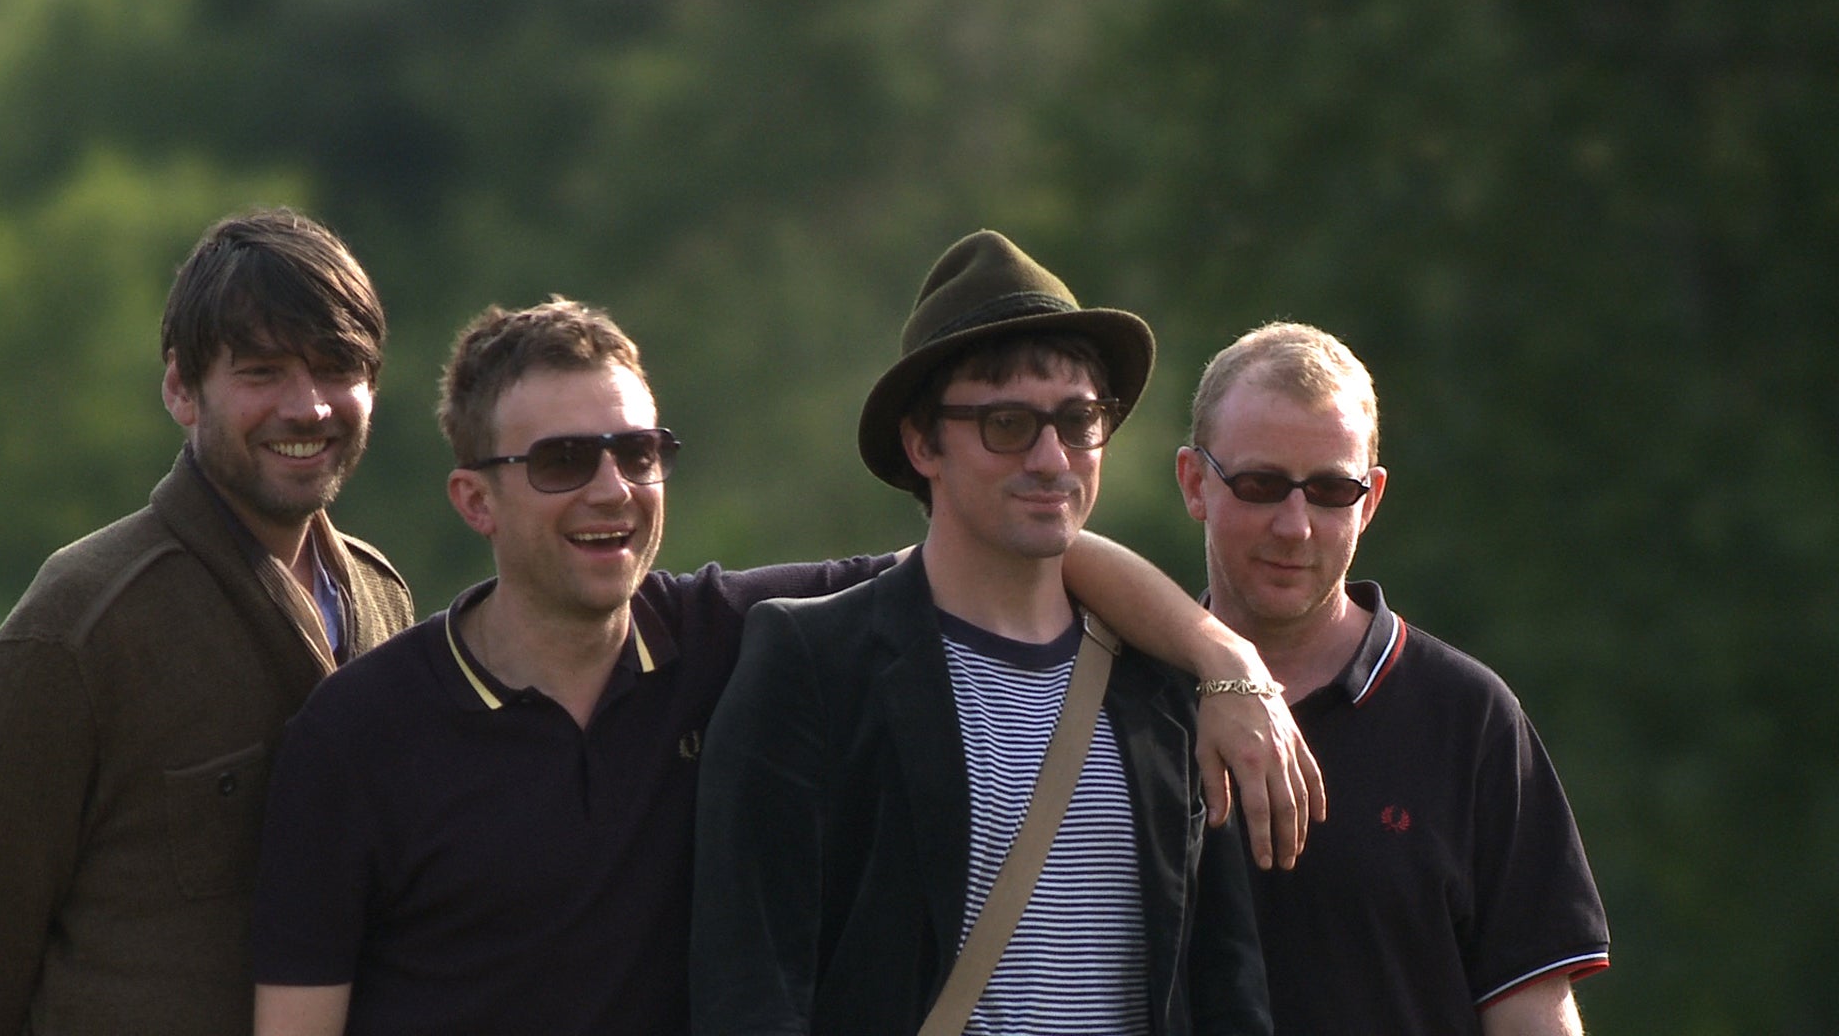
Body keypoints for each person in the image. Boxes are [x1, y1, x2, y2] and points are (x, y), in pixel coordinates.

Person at [251, 292, 1307, 1036]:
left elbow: (1019, 534)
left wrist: (1222, 660)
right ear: (475, 500)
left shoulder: (727, 634)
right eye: (565, 461)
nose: (613, 489)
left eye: (639, 451)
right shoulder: (360, 736)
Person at [691, 231, 1273, 1036]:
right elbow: (750, 985)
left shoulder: (1166, 686)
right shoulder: (813, 663)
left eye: (1078, 420)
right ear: (922, 442)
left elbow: (1227, 992)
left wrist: (1224, 660)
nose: (1050, 457)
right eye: (1006, 423)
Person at [0, 209, 416, 1036]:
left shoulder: (384, 599)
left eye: (337, 367)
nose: (307, 406)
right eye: (263, 370)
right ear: (180, 387)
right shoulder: (84, 623)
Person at [1175, 321, 1610, 1035]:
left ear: (1371, 498)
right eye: (1259, 485)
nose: (1295, 524)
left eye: (1329, 490)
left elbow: (1532, 1012)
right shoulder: (1127, 701)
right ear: (1195, 481)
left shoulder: (1467, 718)